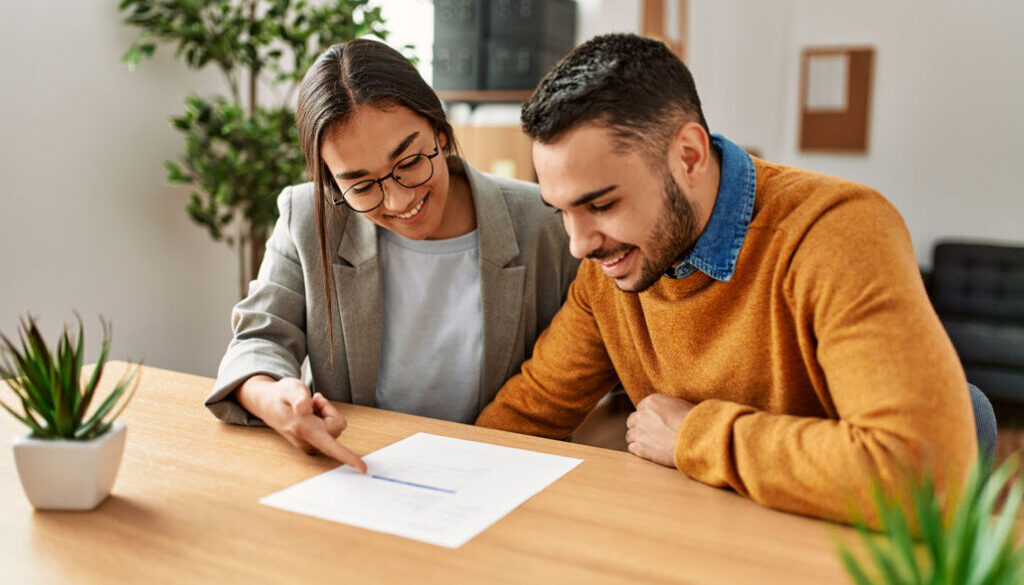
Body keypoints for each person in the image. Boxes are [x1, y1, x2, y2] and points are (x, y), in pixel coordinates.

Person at [476, 33, 976, 523]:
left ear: (688, 156)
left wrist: (694, 435)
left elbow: (923, 473)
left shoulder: (836, 231)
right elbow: (529, 413)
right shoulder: (608, 271)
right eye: (562, 211)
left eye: (602, 204)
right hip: (704, 541)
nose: (579, 244)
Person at [205, 39, 579, 472]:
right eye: (361, 186)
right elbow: (259, 339)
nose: (400, 200)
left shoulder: (543, 221)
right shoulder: (309, 216)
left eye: (409, 160)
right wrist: (270, 397)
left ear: (439, 128)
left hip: (502, 473)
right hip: (362, 468)